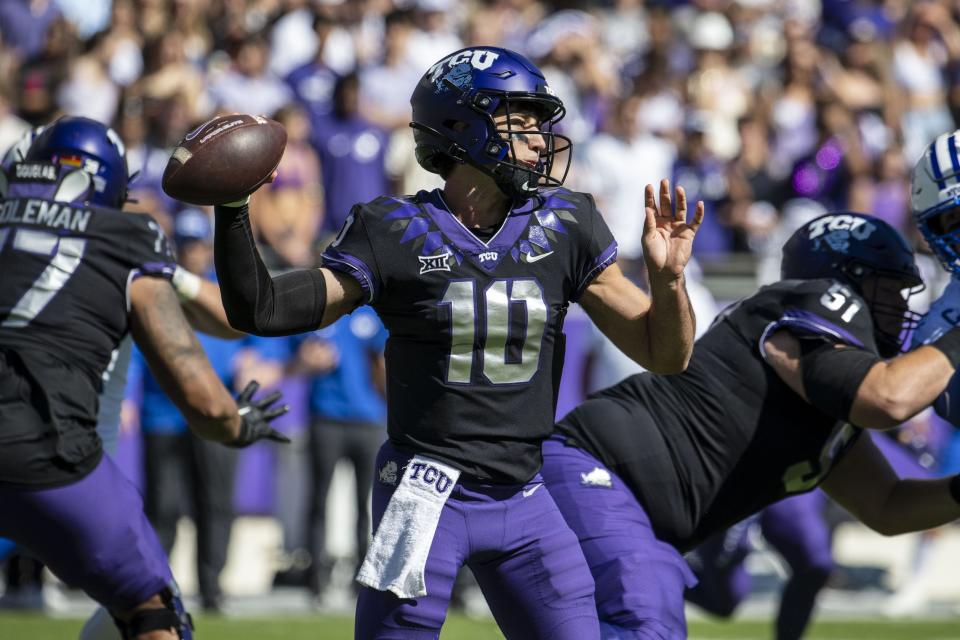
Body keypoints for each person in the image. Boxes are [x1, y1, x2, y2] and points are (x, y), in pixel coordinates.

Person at [211, 46, 703, 639]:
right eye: (518, 122)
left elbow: (665, 355)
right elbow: (262, 308)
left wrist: (669, 280)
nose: (539, 140)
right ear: (462, 129)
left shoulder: (566, 223)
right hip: (423, 493)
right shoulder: (392, 229)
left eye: (539, 124)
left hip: (524, 493)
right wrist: (232, 209)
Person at [541, 210, 960, 640]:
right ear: (843, 282)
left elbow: (887, 505)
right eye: (887, 287)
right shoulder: (805, 309)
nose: (901, 305)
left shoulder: (830, 394)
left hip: (632, 506)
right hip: (595, 469)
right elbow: (889, 398)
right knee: (647, 626)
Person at [0, 116, 288, 640]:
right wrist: (235, 423)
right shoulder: (124, 239)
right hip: (53, 457)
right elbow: (225, 345)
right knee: (153, 615)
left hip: (54, 454)